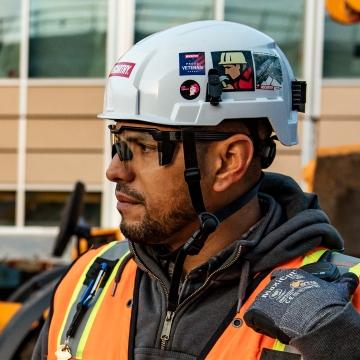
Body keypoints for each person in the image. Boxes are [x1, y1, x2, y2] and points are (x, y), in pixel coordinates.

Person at [32, 20, 360, 360]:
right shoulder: (89, 280)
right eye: (118, 142)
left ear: (229, 161)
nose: (115, 169)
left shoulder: (340, 306)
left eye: (144, 146)